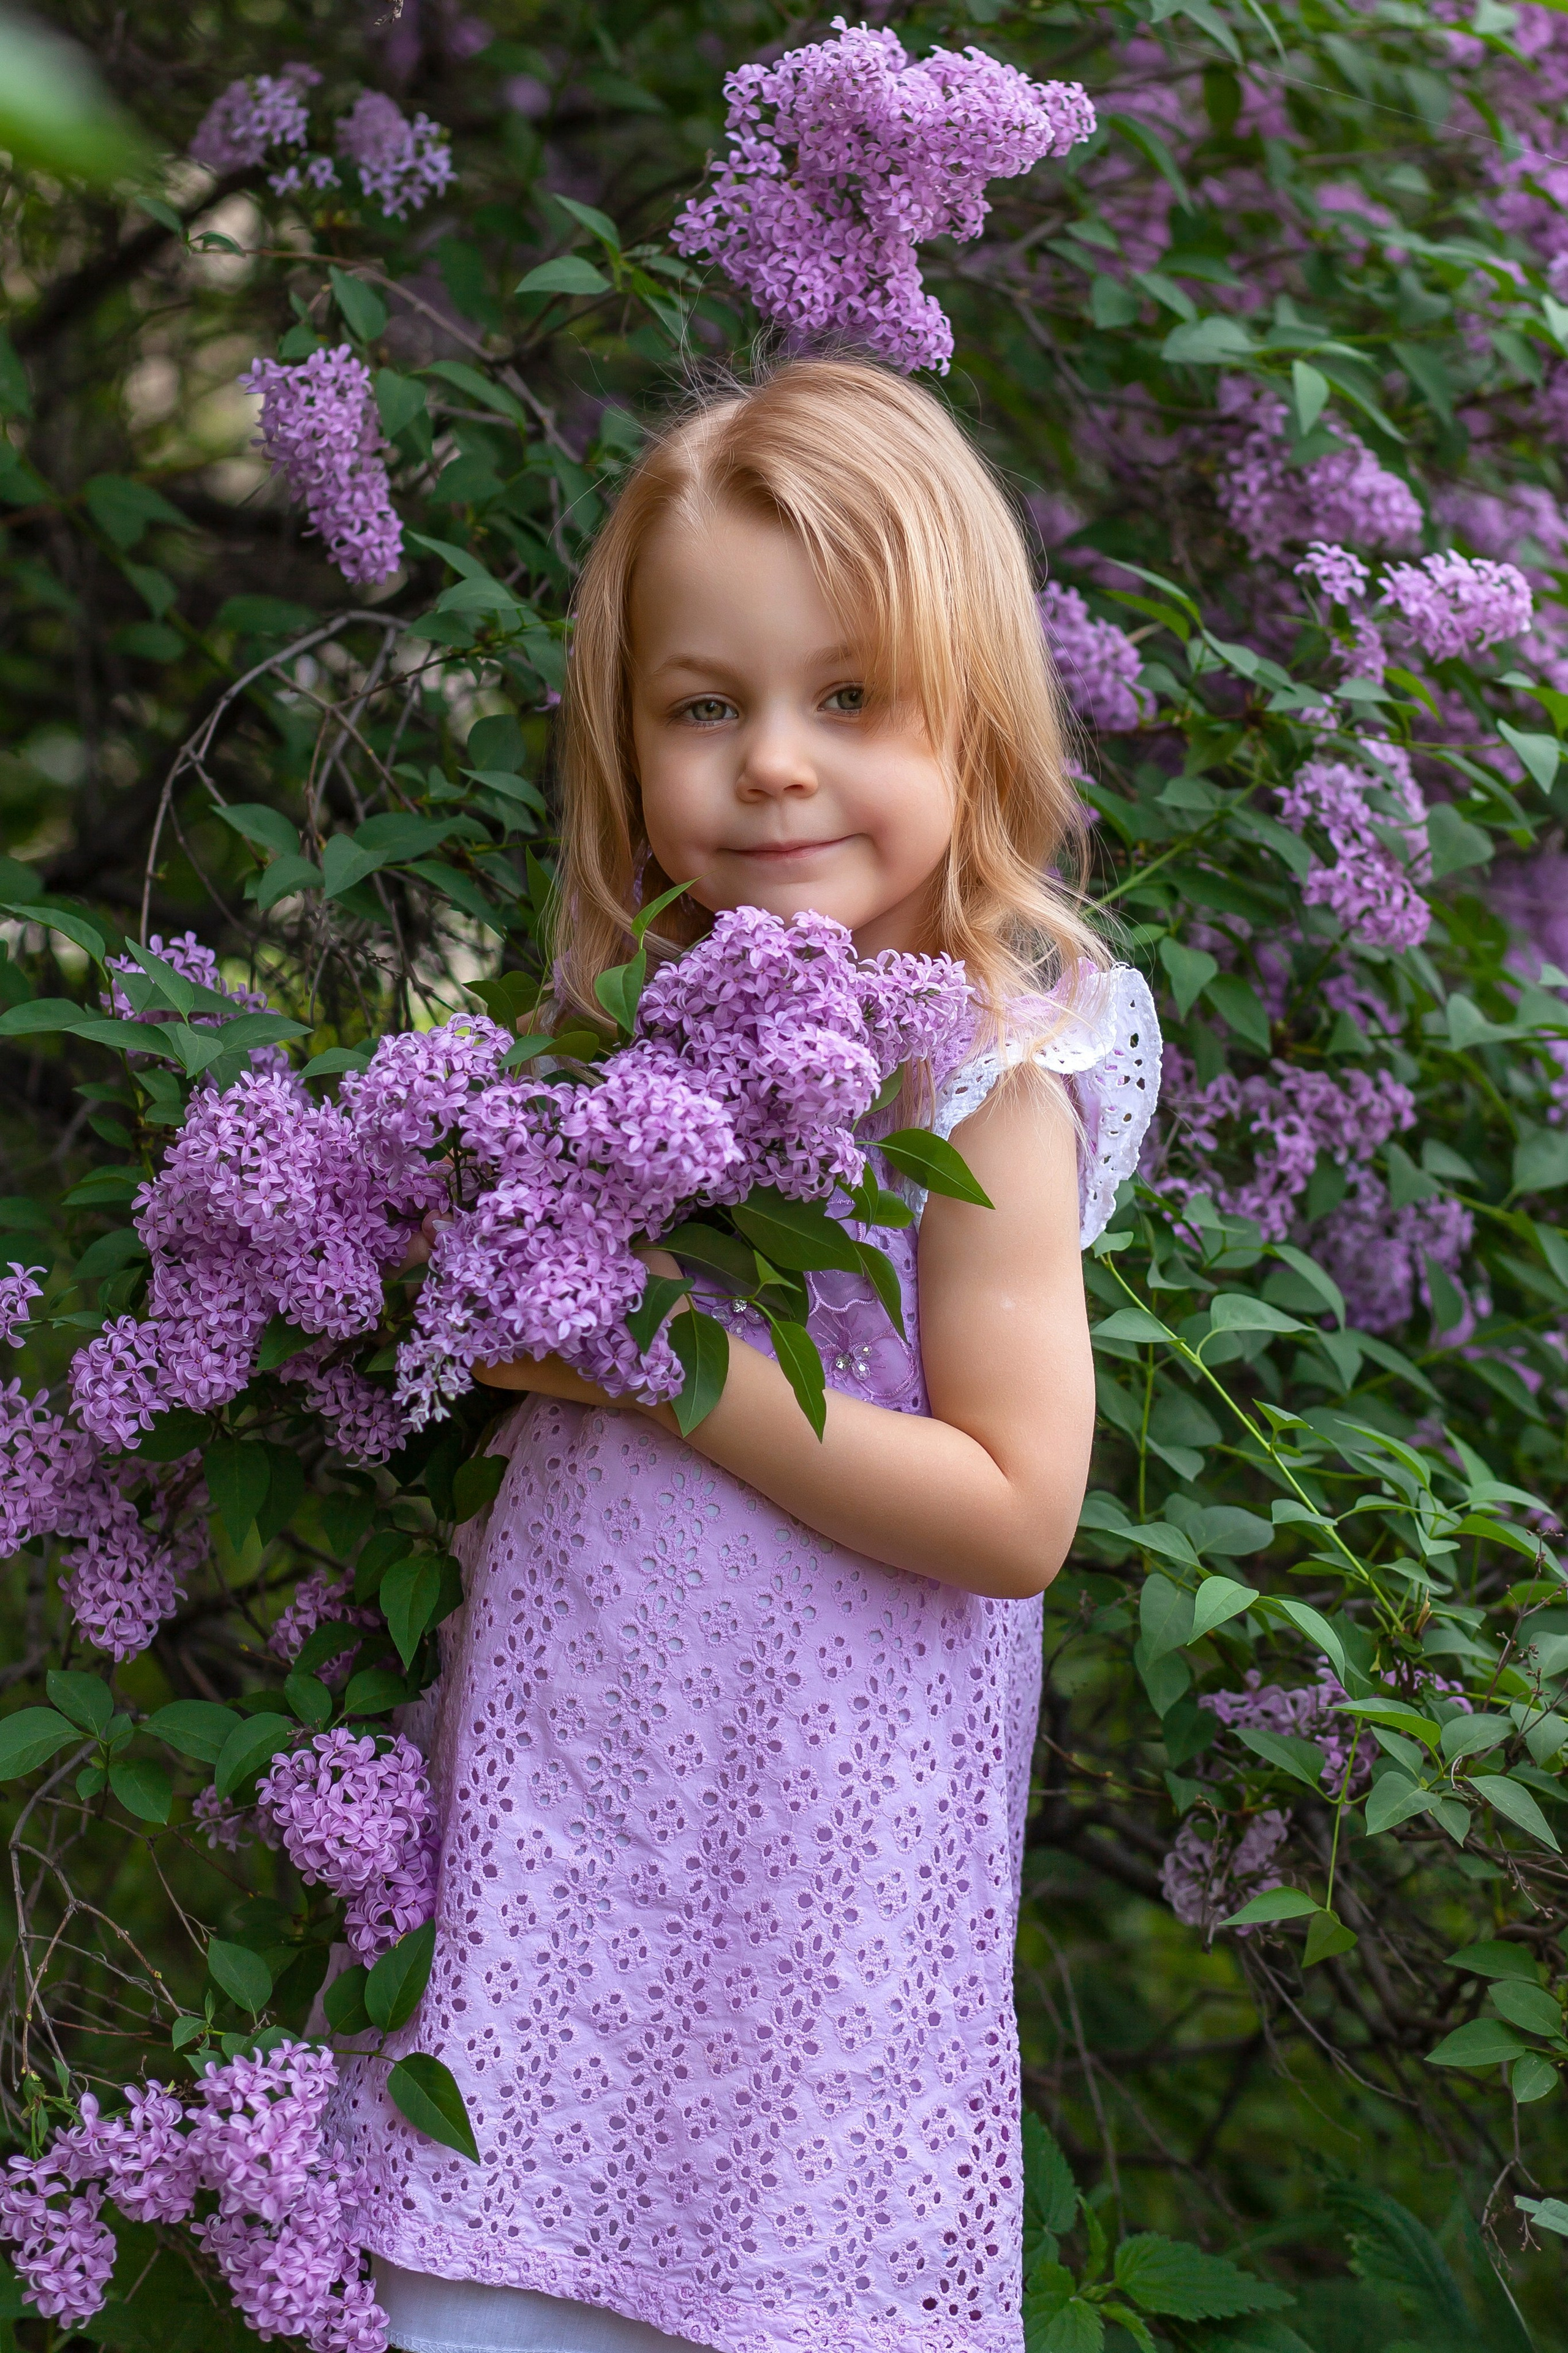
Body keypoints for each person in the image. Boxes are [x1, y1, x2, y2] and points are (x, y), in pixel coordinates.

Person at [333, 357, 1160, 2353]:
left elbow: (1016, 1504)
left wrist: (656, 1360)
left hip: (816, 1927)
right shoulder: (624, 1063)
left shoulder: (983, 1082)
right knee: (484, 2283)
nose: (773, 764)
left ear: (975, 718)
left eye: (849, 699)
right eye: (706, 706)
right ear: (628, 750)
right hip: (571, 1858)